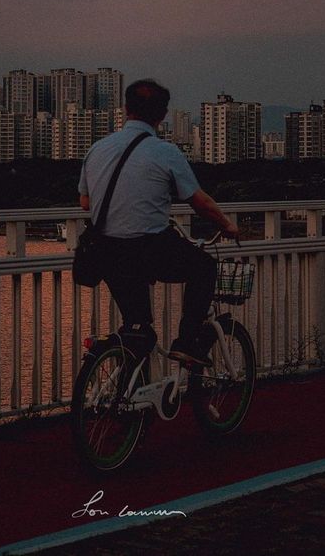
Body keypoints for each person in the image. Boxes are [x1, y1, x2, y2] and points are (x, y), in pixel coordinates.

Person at [78, 78, 239, 367]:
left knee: (137, 328)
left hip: (107, 252)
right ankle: (187, 343)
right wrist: (227, 225)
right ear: (163, 115)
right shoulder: (166, 152)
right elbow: (199, 202)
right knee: (204, 267)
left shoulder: (97, 149)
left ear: (126, 108)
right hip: (149, 249)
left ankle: (130, 396)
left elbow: (86, 203)